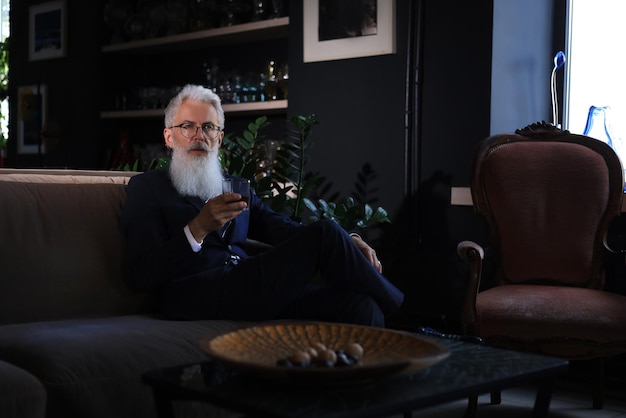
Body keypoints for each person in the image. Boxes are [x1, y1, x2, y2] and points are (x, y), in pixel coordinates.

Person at [120, 84, 404, 327]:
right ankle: (408, 320)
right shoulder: (148, 188)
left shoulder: (236, 186)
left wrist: (350, 240)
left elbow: (286, 231)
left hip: (252, 289)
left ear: (218, 138)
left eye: (208, 127)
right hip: (196, 296)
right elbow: (141, 274)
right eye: (187, 126)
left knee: (362, 307)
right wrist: (196, 229)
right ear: (169, 137)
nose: (199, 135)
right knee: (326, 231)